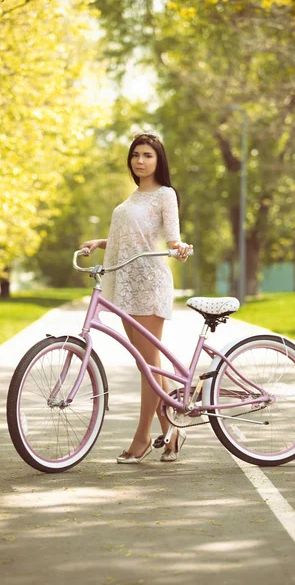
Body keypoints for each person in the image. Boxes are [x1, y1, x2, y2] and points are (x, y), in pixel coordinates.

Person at [80, 133, 193, 464]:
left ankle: (143, 437)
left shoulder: (164, 195)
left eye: (147, 155)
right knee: (147, 365)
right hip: (126, 281)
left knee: (148, 365)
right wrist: (99, 243)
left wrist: (181, 248)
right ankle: (172, 431)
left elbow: (171, 239)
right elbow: (129, 236)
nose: (140, 161)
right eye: (135, 155)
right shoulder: (133, 197)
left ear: (159, 160)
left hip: (149, 282)